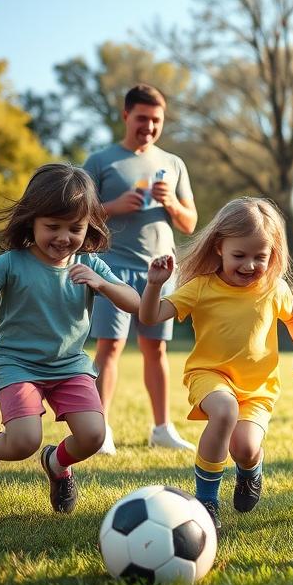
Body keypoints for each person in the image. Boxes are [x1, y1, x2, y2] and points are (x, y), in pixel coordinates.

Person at [0, 164, 141, 515]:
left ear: (88, 228)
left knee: (93, 436)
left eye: (75, 228)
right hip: (17, 364)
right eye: (52, 227)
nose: (63, 237)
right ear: (32, 221)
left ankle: (57, 464)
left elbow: (136, 303)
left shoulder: (91, 266)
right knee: (23, 440)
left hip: (69, 365)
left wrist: (104, 285)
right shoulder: (12, 263)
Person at [139, 198, 293, 531]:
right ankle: (206, 500)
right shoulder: (200, 287)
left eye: (260, 257)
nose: (250, 265)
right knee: (224, 410)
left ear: (272, 254)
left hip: (257, 387)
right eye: (240, 256)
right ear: (219, 247)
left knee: (246, 448)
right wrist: (153, 285)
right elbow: (149, 316)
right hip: (210, 375)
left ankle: (251, 470)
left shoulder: (273, 288)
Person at [85, 84, 199, 454]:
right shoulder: (101, 161)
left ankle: (162, 428)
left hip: (159, 271)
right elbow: (77, 214)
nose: (148, 127)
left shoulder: (174, 163)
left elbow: (190, 223)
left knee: (156, 350)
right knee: (111, 346)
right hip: (112, 267)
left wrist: (172, 205)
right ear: (125, 116)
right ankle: (100, 429)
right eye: (142, 118)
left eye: (156, 120)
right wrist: (113, 206)